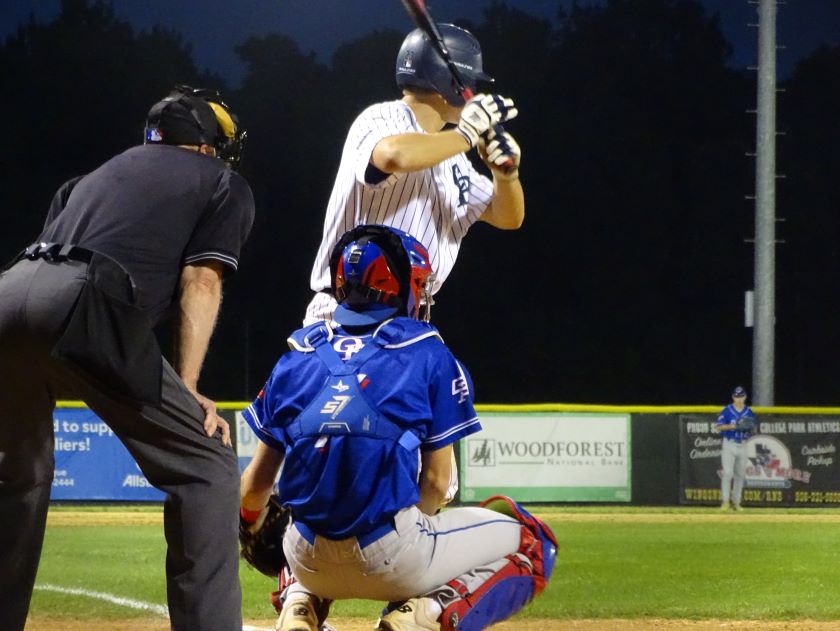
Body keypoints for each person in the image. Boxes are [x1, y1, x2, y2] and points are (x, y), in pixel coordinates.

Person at [0, 85, 254, 631]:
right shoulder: (221, 182)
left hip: (9, 291)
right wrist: (187, 386)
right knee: (207, 468)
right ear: (208, 145)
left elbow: (48, 278)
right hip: (82, 300)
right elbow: (201, 280)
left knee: (21, 475)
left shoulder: (91, 178)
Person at [240, 225, 556, 631]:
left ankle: (298, 599)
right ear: (398, 286)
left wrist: (250, 522)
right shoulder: (427, 351)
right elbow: (437, 484)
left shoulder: (297, 353)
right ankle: (423, 615)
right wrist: (402, 536)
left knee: (311, 521)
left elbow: (253, 489)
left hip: (305, 559)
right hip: (392, 556)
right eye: (418, 284)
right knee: (534, 542)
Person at [304, 23, 525, 326]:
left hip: (409, 320)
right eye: (470, 81)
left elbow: (508, 218)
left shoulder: (453, 157)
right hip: (348, 315)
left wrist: (506, 176)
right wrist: (465, 135)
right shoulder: (383, 117)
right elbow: (394, 155)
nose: (474, 92)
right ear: (448, 82)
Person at [714, 385, 757, 511]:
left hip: (743, 444)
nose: (739, 399)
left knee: (740, 475)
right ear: (733, 397)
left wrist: (750, 428)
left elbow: (753, 428)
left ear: (745, 397)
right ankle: (725, 502)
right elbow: (718, 427)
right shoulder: (727, 410)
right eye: (737, 396)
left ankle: (736, 503)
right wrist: (733, 426)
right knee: (727, 474)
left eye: (741, 396)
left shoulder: (749, 412)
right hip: (729, 444)